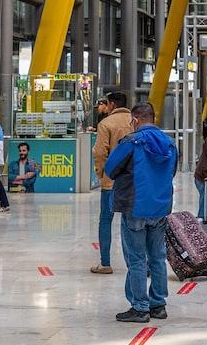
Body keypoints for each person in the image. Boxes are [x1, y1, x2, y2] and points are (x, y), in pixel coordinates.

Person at [105, 102, 177, 323]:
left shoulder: (131, 142)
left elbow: (110, 169)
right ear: (153, 119)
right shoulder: (170, 144)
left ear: (135, 120)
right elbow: (171, 172)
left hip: (135, 207)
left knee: (136, 260)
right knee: (157, 258)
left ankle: (139, 306)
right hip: (160, 208)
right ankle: (158, 305)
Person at [90, 91, 132, 275]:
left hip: (111, 181)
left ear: (112, 104)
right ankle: (137, 263)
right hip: (133, 180)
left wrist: (102, 174)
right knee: (131, 221)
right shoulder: (135, 120)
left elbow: (100, 153)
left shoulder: (105, 123)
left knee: (106, 220)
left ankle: (105, 263)